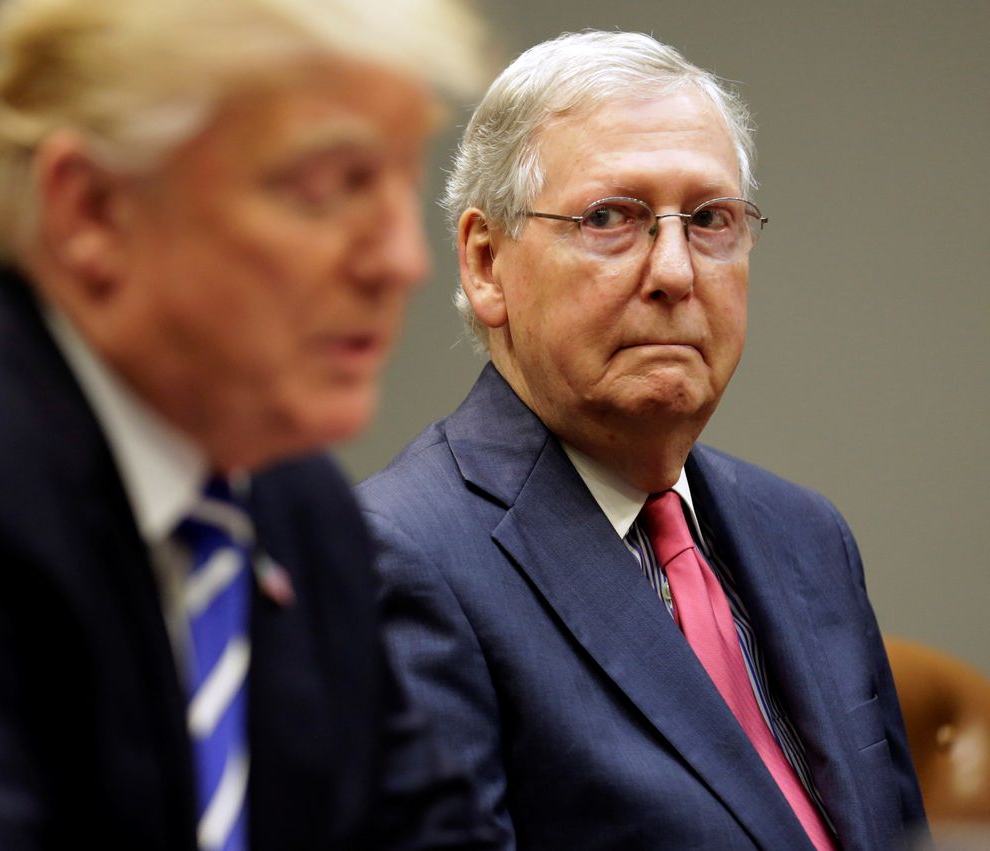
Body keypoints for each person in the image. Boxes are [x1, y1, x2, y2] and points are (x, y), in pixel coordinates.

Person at [0, 1, 498, 849]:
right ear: (91, 210)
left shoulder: (285, 493)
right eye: (326, 188)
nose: (400, 260)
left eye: (398, 182)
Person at [358, 31, 928, 850]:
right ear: (486, 264)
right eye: (610, 218)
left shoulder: (807, 535)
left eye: (709, 220)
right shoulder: (395, 560)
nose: (675, 270)